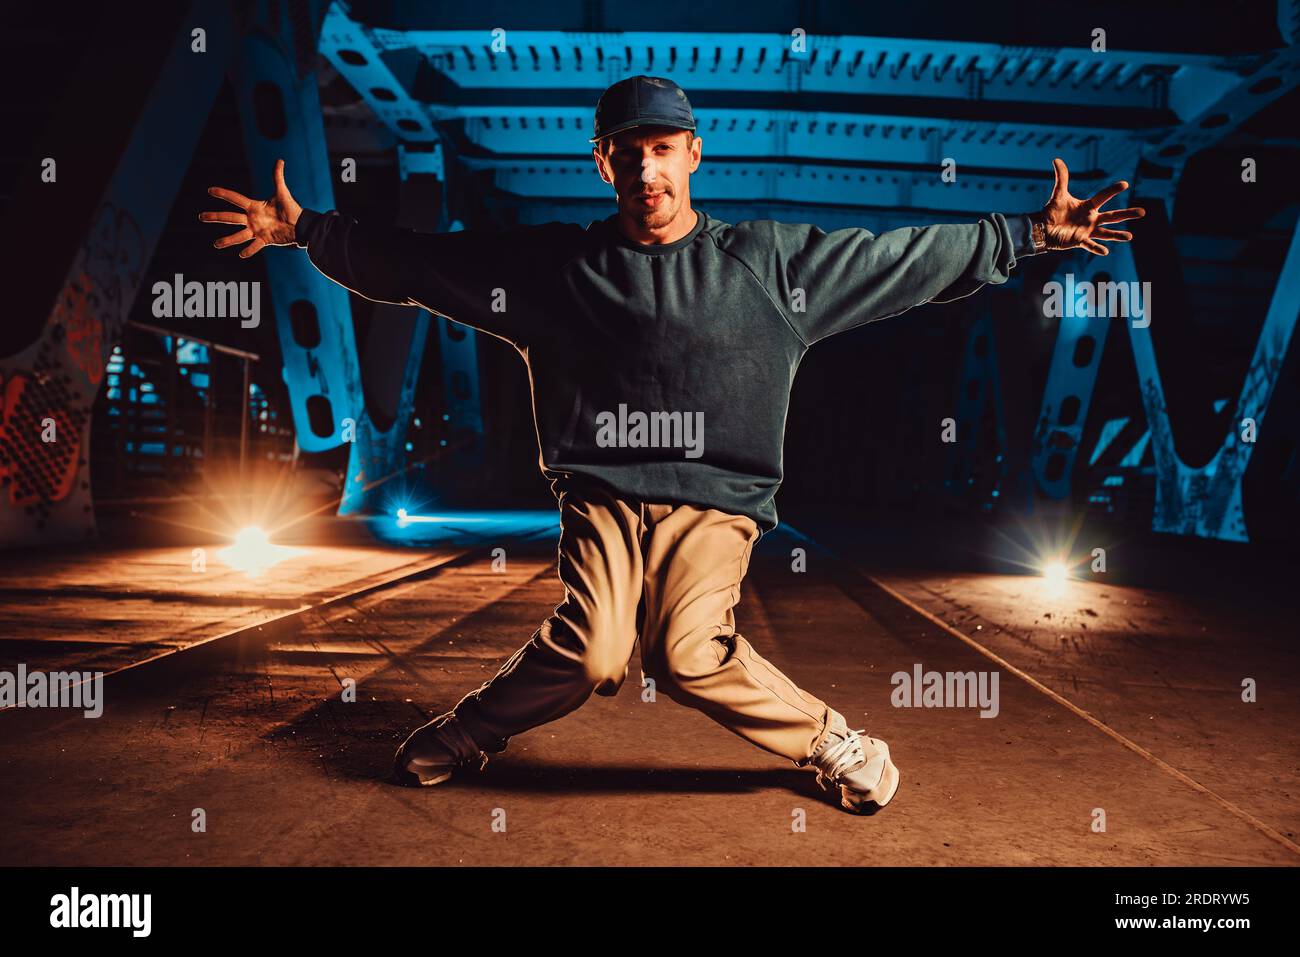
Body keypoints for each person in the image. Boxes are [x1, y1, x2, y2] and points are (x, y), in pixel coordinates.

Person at [202, 75, 1143, 814]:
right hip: (601, 494)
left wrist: (1024, 235)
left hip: (716, 499)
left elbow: (901, 260)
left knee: (688, 655)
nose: (647, 171)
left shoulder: (771, 267)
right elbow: (424, 266)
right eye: (626, 154)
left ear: (694, 154)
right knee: (596, 651)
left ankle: (829, 742)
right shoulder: (555, 270)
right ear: (601, 164)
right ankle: (473, 730)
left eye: (662, 150)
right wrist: (308, 233)